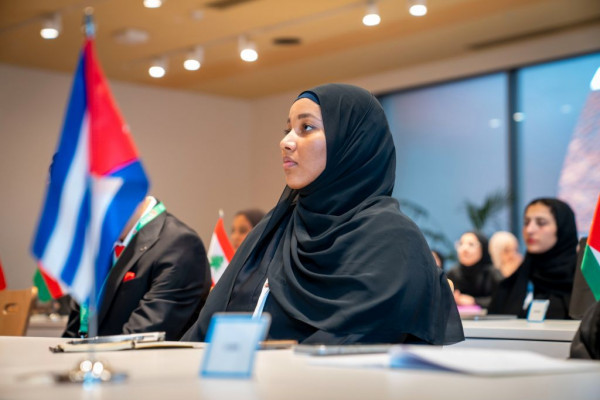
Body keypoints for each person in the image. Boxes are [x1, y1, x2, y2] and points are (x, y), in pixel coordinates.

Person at [182, 83, 464, 345]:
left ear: (352, 143)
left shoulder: (393, 239)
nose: (286, 142)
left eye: (306, 127)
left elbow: (356, 342)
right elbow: (207, 327)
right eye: (288, 130)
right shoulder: (277, 227)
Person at [63, 196, 211, 340]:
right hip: (92, 355)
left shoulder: (180, 244)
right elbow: (74, 331)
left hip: (137, 355)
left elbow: (141, 337)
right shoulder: (99, 242)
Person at [488, 198, 577, 319]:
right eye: (526, 222)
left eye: (541, 223)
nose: (529, 230)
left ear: (562, 228)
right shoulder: (515, 281)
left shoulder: (582, 282)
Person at [447, 232, 503, 308]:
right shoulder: (452, 273)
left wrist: (474, 301)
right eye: (461, 244)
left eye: (471, 244)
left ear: (483, 248)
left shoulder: (492, 273)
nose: (465, 249)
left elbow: (504, 299)